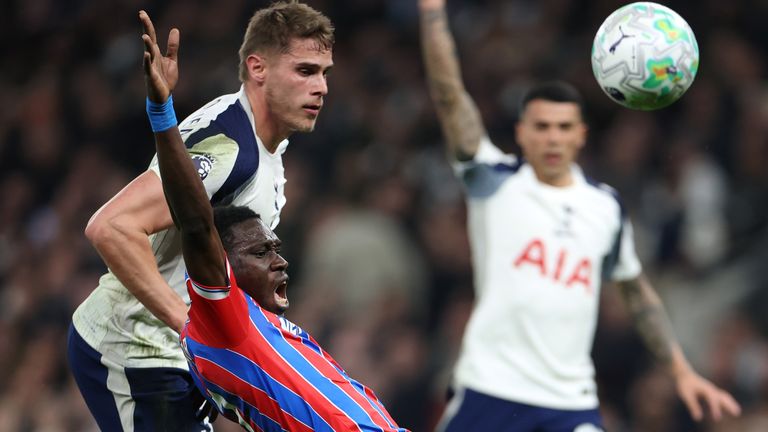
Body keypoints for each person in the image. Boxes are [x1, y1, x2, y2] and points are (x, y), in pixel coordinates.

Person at [417, 0, 742, 430]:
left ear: (581, 135)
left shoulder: (605, 207)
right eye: (541, 126)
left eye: (564, 127)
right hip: (491, 390)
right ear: (521, 133)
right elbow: (449, 96)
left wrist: (681, 371)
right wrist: (432, 15)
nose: (553, 138)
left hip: (569, 402)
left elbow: (637, 294)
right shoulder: (493, 180)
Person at [66, 3, 334, 430]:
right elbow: (111, 227)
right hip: (136, 353)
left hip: (176, 358)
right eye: (305, 71)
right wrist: (187, 323)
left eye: (323, 73)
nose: (320, 87)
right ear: (257, 68)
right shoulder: (230, 148)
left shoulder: (265, 145)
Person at [138, 12, 408, 431]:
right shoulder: (226, 324)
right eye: (261, 252)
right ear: (222, 267)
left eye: (275, 249)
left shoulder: (267, 331)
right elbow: (195, 224)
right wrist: (162, 113)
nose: (279, 262)